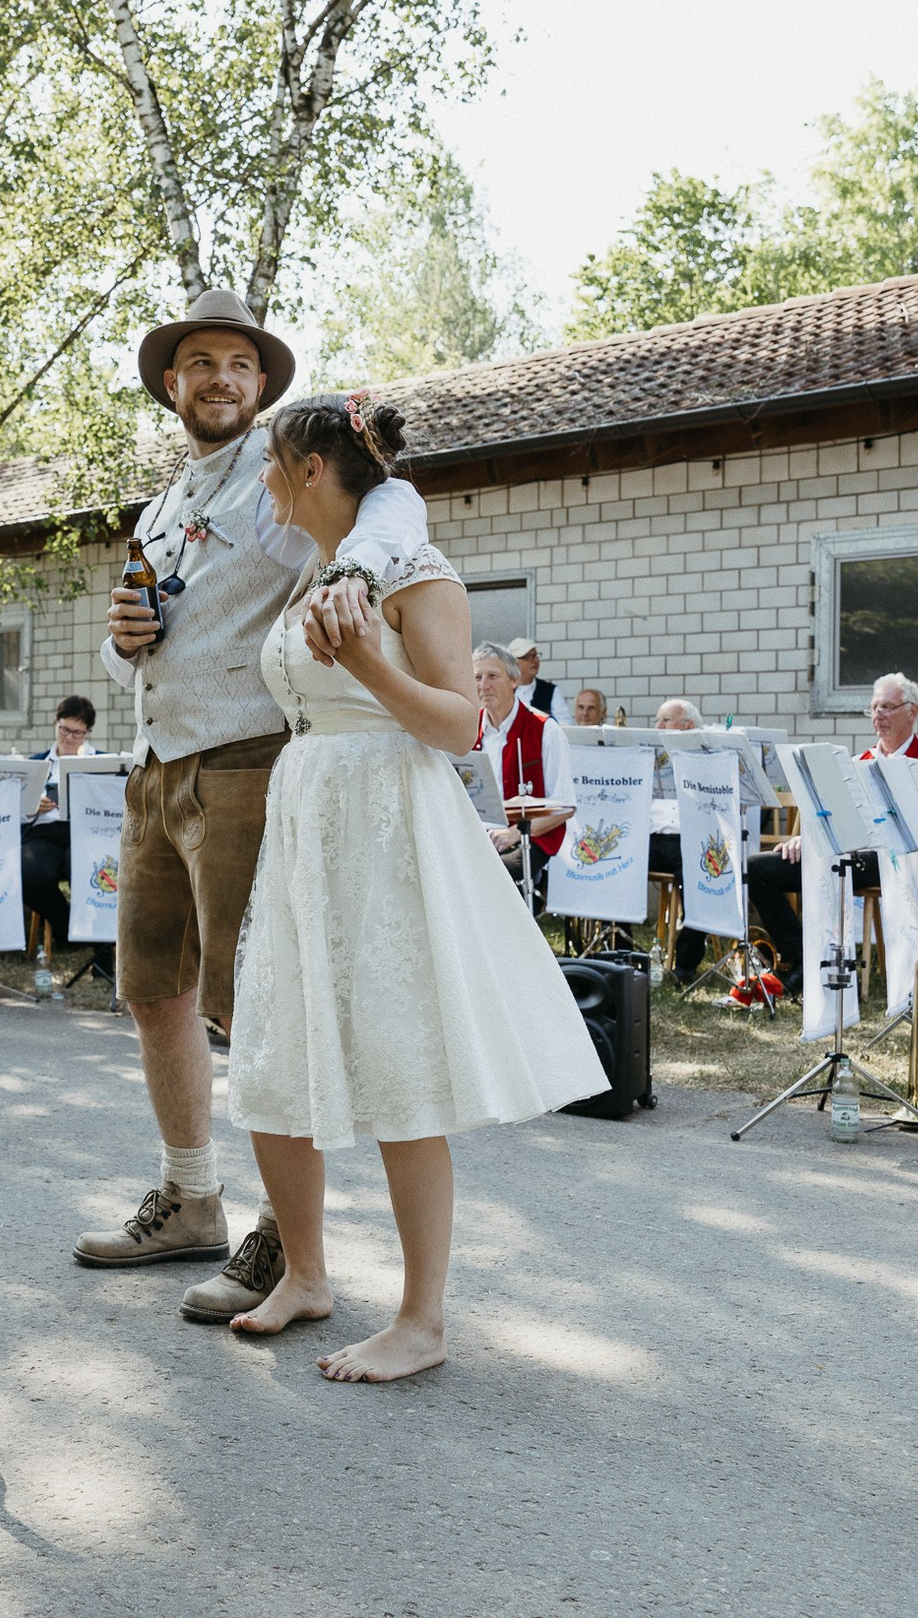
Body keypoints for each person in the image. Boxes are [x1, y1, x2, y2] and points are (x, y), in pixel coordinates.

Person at [222, 392, 605, 1380]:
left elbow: (458, 727)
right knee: (269, 1047)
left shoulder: (415, 573)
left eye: (272, 460)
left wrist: (366, 665)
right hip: (306, 817)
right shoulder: (316, 566)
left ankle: (421, 1320)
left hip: (388, 820)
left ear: (311, 468)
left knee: (399, 1062)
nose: (262, 476)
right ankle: (305, 1272)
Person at [78, 286, 428, 1328]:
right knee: (153, 991)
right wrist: (119, 635)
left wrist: (353, 575)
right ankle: (190, 1194)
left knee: (253, 1002)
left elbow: (395, 500)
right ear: (172, 386)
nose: (219, 379)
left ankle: (287, 1234)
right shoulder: (158, 504)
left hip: (247, 758)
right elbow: (133, 637)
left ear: (263, 382)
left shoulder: (290, 466)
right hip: (156, 762)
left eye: (237, 363)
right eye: (199, 365)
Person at [744, 672, 918, 991]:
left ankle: (841, 971)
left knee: (834, 865)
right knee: (758, 869)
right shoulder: (858, 761)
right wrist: (808, 838)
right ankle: (803, 962)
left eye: (887, 707)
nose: (878, 715)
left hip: (907, 862)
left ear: (912, 712)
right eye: (873, 708)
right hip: (854, 856)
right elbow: (834, 817)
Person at [472, 642, 570, 905]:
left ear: (515, 680)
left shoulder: (545, 730)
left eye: (493, 676)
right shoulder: (468, 730)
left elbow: (565, 806)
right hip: (477, 834)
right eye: (477, 677)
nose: (483, 685)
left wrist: (515, 833)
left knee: (490, 874)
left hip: (528, 837)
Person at [21, 695, 108, 977]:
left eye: (77, 732)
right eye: (64, 729)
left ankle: (103, 955)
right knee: (27, 872)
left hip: (86, 833)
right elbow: (17, 812)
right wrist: (32, 807)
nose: (69, 737)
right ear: (55, 724)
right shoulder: (37, 764)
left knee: (91, 870)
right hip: (45, 833)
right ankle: (70, 928)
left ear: (88, 733)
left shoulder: (103, 763)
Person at [644, 698, 711, 982]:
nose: (658, 726)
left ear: (689, 727)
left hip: (688, 840)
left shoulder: (705, 756)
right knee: (619, 865)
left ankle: (685, 963)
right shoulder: (648, 754)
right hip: (652, 836)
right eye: (657, 720)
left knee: (699, 884)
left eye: (666, 721)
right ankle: (623, 953)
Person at [507, 637, 572, 724]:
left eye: (536, 655)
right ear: (514, 662)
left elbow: (566, 723)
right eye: (530, 657)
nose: (536, 660)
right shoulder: (503, 690)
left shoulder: (550, 691)